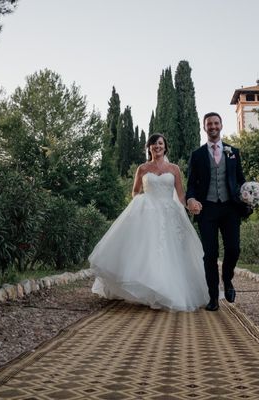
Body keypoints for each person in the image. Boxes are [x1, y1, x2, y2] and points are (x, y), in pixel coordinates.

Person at [88, 133, 209, 311]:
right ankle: (148, 290)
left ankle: (167, 291)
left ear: (165, 147)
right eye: (153, 144)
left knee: (170, 251)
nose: (157, 146)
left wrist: (190, 205)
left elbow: (181, 194)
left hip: (169, 213)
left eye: (160, 143)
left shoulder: (174, 168)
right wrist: (142, 204)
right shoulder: (142, 168)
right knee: (148, 251)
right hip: (148, 213)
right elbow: (135, 192)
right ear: (149, 147)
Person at [186, 112, 247, 311]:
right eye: (209, 124)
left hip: (230, 208)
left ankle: (227, 279)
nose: (213, 126)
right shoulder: (197, 155)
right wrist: (191, 199)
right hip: (207, 209)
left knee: (233, 249)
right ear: (204, 128)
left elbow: (240, 180)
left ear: (221, 125)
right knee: (210, 254)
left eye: (215, 123)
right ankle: (213, 297)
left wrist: (250, 195)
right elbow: (191, 185)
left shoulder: (233, 152)